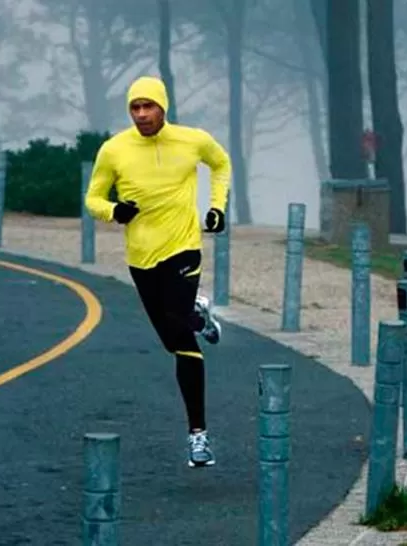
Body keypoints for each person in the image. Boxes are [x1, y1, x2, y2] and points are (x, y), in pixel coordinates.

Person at [83, 75, 231, 468]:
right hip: (141, 257)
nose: (142, 114)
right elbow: (93, 198)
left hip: (183, 248)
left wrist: (216, 207)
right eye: (135, 107)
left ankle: (198, 436)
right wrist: (114, 211)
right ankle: (197, 313)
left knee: (181, 340)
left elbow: (220, 164)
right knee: (171, 339)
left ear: (164, 107)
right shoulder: (114, 150)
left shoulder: (192, 139)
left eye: (149, 106)